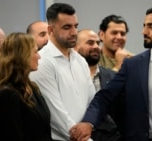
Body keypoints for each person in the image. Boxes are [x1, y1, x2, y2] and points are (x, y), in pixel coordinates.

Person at [70, 6, 152, 141]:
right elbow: (104, 97)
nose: (144, 31)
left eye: (151, 26)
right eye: (144, 26)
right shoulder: (132, 65)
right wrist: (88, 122)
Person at [29, 3, 96, 140]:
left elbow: (92, 101)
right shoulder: (42, 62)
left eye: (75, 26)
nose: (74, 32)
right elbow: (56, 116)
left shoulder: (80, 61)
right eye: (67, 27)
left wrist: (89, 124)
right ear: (50, 30)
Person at [0, 32, 53, 141]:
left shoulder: (32, 87)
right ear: (21, 56)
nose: (39, 56)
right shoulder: (7, 95)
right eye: (35, 52)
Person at [75, 29, 121, 141]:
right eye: (90, 43)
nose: (96, 47)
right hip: (77, 135)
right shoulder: (68, 76)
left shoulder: (113, 76)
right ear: (75, 47)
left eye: (97, 43)